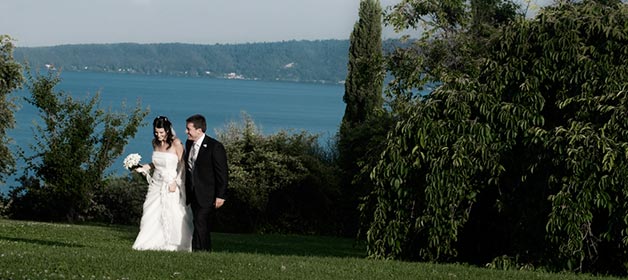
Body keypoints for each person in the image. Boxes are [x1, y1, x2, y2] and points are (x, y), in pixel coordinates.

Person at [132, 116, 193, 251]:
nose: (158, 135)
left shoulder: (176, 143)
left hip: (171, 183)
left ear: (167, 130)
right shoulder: (155, 143)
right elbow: (156, 162)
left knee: (172, 212)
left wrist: (175, 182)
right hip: (156, 182)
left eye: (161, 132)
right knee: (151, 210)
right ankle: (149, 242)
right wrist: (143, 167)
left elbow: (182, 166)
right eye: (156, 132)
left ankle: (173, 244)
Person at [184, 114, 228, 252]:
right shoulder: (189, 143)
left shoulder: (215, 147)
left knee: (201, 221)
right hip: (193, 192)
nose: (186, 132)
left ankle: (202, 251)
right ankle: (199, 250)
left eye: (189, 129)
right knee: (197, 222)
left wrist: (221, 195)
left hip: (208, 193)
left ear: (199, 130)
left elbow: (222, 173)